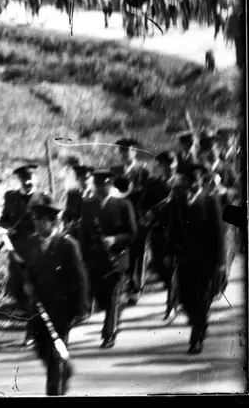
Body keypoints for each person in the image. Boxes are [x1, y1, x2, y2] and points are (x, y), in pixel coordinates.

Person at [19, 198, 89, 396]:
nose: (38, 225)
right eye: (36, 221)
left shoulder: (67, 245)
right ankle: (63, 372)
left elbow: (80, 278)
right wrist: (27, 284)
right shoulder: (32, 243)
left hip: (61, 309)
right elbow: (28, 269)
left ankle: (53, 392)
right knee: (42, 350)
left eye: (42, 221)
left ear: (52, 222)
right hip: (39, 309)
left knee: (54, 354)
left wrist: (81, 308)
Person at [167, 162, 227, 354]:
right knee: (185, 299)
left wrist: (220, 263)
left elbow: (218, 233)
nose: (192, 182)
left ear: (201, 180)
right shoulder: (178, 201)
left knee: (201, 299)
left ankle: (196, 339)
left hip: (205, 261)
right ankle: (199, 324)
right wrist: (169, 253)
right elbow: (172, 229)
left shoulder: (210, 201)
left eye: (196, 179)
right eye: (188, 179)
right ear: (184, 182)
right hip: (184, 260)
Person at [78, 169, 137, 348]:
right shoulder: (88, 205)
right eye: (97, 185)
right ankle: (114, 319)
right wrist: (82, 256)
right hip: (95, 259)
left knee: (112, 296)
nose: (99, 189)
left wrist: (114, 239)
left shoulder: (123, 205)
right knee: (102, 297)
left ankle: (108, 334)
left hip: (116, 258)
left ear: (110, 185)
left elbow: (132, 234)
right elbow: (83, 233)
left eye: (103, 185)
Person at [0, 163, 42, 327]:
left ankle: (33, 326)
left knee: (33, 286)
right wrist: (8, 227)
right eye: (24, 180)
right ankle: (29, 315)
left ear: (35, 179)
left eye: (30, 179)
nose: (27, 182)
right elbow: (3, 219)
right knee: (16, 287)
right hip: (17, 248)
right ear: (19, 181)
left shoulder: (42, 197)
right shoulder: (10, 197)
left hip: (36, 248)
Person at [141, 150, 180, 321]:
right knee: (159, 266)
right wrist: (146, 214)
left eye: (173, 164)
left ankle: (171, 305)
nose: (170, 168)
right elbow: (142, 204)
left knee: (173, 268)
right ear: (161, 166)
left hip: (178, 232)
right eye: (167, 165)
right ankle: (176, 292)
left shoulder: (183, 184)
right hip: (158, 231)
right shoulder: (152, 183)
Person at [112, 138, 151, 306]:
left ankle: (136, 289)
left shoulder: (142, 171)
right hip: (120, 218)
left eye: (126, 151)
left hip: (137, 217)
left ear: (134, 152)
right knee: (122, 253)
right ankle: (125, 286)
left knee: (138, 253)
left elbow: (146, 197)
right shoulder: (115, 171)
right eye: (120, 151)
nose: (123, 154)